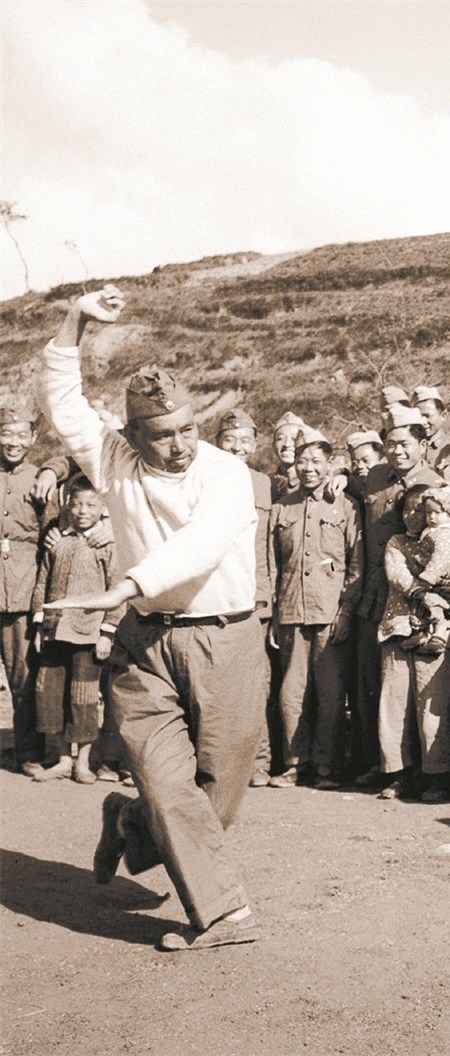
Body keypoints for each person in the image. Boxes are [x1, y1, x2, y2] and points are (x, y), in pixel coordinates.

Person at [39, 285, 264, 952]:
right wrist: (75, 320)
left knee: (215, 797)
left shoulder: (226, 473)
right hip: (144, 645)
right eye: (162, 435)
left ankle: (130, 823)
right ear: (131, 435)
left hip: (226, 639)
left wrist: (125, 584)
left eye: (188, 428)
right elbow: (61, 401)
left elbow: (203, 542)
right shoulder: (111, 459)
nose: (179, 445)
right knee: (168, 785)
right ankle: (222, 916)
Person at [353, 405, 444, 787]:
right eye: (390, 443)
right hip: (373, 591)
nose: (397, 450)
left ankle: (416, 770)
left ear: (422, 443)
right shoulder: (376, 476)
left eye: (404, 443)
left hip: (412, 594)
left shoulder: (435, 483)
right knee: (372, 682)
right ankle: (382, 762)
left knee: (411, 687)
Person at [267, 428, 363, 789]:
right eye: (302, 460)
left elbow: (356, 562)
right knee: (291, 693)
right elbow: (272, 565)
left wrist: (346, 610)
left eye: (316, 461)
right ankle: (295, 763)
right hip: (291, 611)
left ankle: (325, 766)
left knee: (330, 693)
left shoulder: (346, 506)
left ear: (329, 464)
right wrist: (274, 615)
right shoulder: (282, 507)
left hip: (330, 613)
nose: (308, 468)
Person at [30, 475, 119, 783]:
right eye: (77, 504)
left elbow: (117, 590)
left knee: (84, 698)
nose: (83, 511)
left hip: (88, 633)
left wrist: (107, 632)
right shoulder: (57, 541)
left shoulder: (107, 544)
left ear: (103, 508)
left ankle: (83, 762)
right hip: (54, 631)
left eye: (91, 505)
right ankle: (63, 760)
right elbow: (42, 583)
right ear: (67, 505)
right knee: (52, 695)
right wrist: (39, 624)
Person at [377, 484, 450, 802]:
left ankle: (437, 776)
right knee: (394, 706)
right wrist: (425, 593)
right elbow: (397, 575)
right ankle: (398, 775)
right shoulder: (396, 542)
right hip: (397, 628)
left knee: (433, 706)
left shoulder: (447, 538)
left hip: (435, 632)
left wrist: (446, 597)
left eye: (421, 509)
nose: (413, 515)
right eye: (407, 509)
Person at [216, 408, 276, 788]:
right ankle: (218, 764)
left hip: (252, 596)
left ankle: (258, 762)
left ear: (254, 445)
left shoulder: (264, 483)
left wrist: (266, 597)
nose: (237, 447)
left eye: (244, 440)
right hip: (213, 596)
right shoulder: (201, 478)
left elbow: (268, 545)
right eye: (229, 439)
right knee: (214, 685)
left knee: (255, 685)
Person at [0, 393, 49, 775]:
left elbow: (52, 532)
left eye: (21, 435)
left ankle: (28, 753)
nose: (13, 442)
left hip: (20, 588)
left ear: (32, 438)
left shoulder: (39, 479)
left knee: (23, 678)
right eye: (6, 433)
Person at [400, 484, 450, 657]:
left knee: (424, 593)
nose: (431, 517)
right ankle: (434, 635)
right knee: (430, 598)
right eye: (428, 512)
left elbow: (441, 559)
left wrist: (425, 580)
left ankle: (427, 628)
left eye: (437, 512)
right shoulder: (440, 529)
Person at [270, 411, 305, 502]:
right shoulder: (265, 483)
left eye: (294, 439)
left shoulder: (314, 483)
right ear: (273, 446)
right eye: (280, 439)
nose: (287, 444)